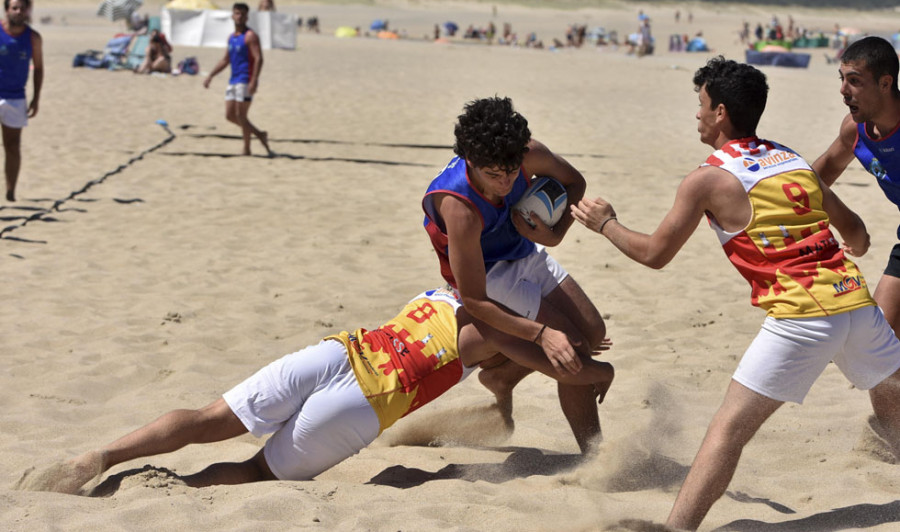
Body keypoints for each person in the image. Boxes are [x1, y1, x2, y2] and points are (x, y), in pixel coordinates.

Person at [571, 56, 900, 530]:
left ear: (721, 112)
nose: (697, 114)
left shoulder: (706, 179)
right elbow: (860, 234)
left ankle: (677, 528)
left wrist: (606, 224)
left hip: (802, 316)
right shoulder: (790, 159)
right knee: (893, 399)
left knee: (728, 429)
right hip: (856, 303)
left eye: (701, 104)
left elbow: (654, 254)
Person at [16, 288, 614, 495]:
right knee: (253, 475)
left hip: (339, 350)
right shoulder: (497, 328)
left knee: (209, 416)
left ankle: (99, 458)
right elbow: (568, 371)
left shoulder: (451, 282)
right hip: (367, 401)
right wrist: (597, 372)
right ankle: (179, 487)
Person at [422, 97, 607, 453]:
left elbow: (576, 183)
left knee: (594, 333)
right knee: (574, 352)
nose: (506, 181)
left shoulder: (527, 153)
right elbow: (474, 299)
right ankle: (594, 456)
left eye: (511, 170)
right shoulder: (457, 206)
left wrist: (555, 234)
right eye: (494, 174)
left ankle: (502, 376)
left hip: (525, 250)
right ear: (471, 161)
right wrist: (542, 336)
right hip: (488, 274)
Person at [813, 36, 900, 342]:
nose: (843, 90)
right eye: (842, 79)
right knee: (880, 344)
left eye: (854, 81)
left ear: (885, 83)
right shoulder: (856, 130)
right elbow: (817, 179)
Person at [203, 2, 271, 156]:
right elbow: (225, 60)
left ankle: (246, 148)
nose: (239, 17)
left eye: (242, 14)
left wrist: (254, 80)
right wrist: (211, 75)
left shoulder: (250, 36)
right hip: (233, 79)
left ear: (247, 17)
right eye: (237, 13)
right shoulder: (231, 37)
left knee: (242, 116)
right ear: (232, 16)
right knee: (230, 116)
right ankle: (260, 134)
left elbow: (259, 59)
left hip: (245, 79)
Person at [0, 0, 42, 202]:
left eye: (22, 8)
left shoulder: (33, 38)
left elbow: (39, 68)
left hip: (16, 97)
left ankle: (10, 191)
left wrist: (36, 98)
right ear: (7, 10)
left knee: (12, 145)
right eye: (14, 8)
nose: (18, 11)